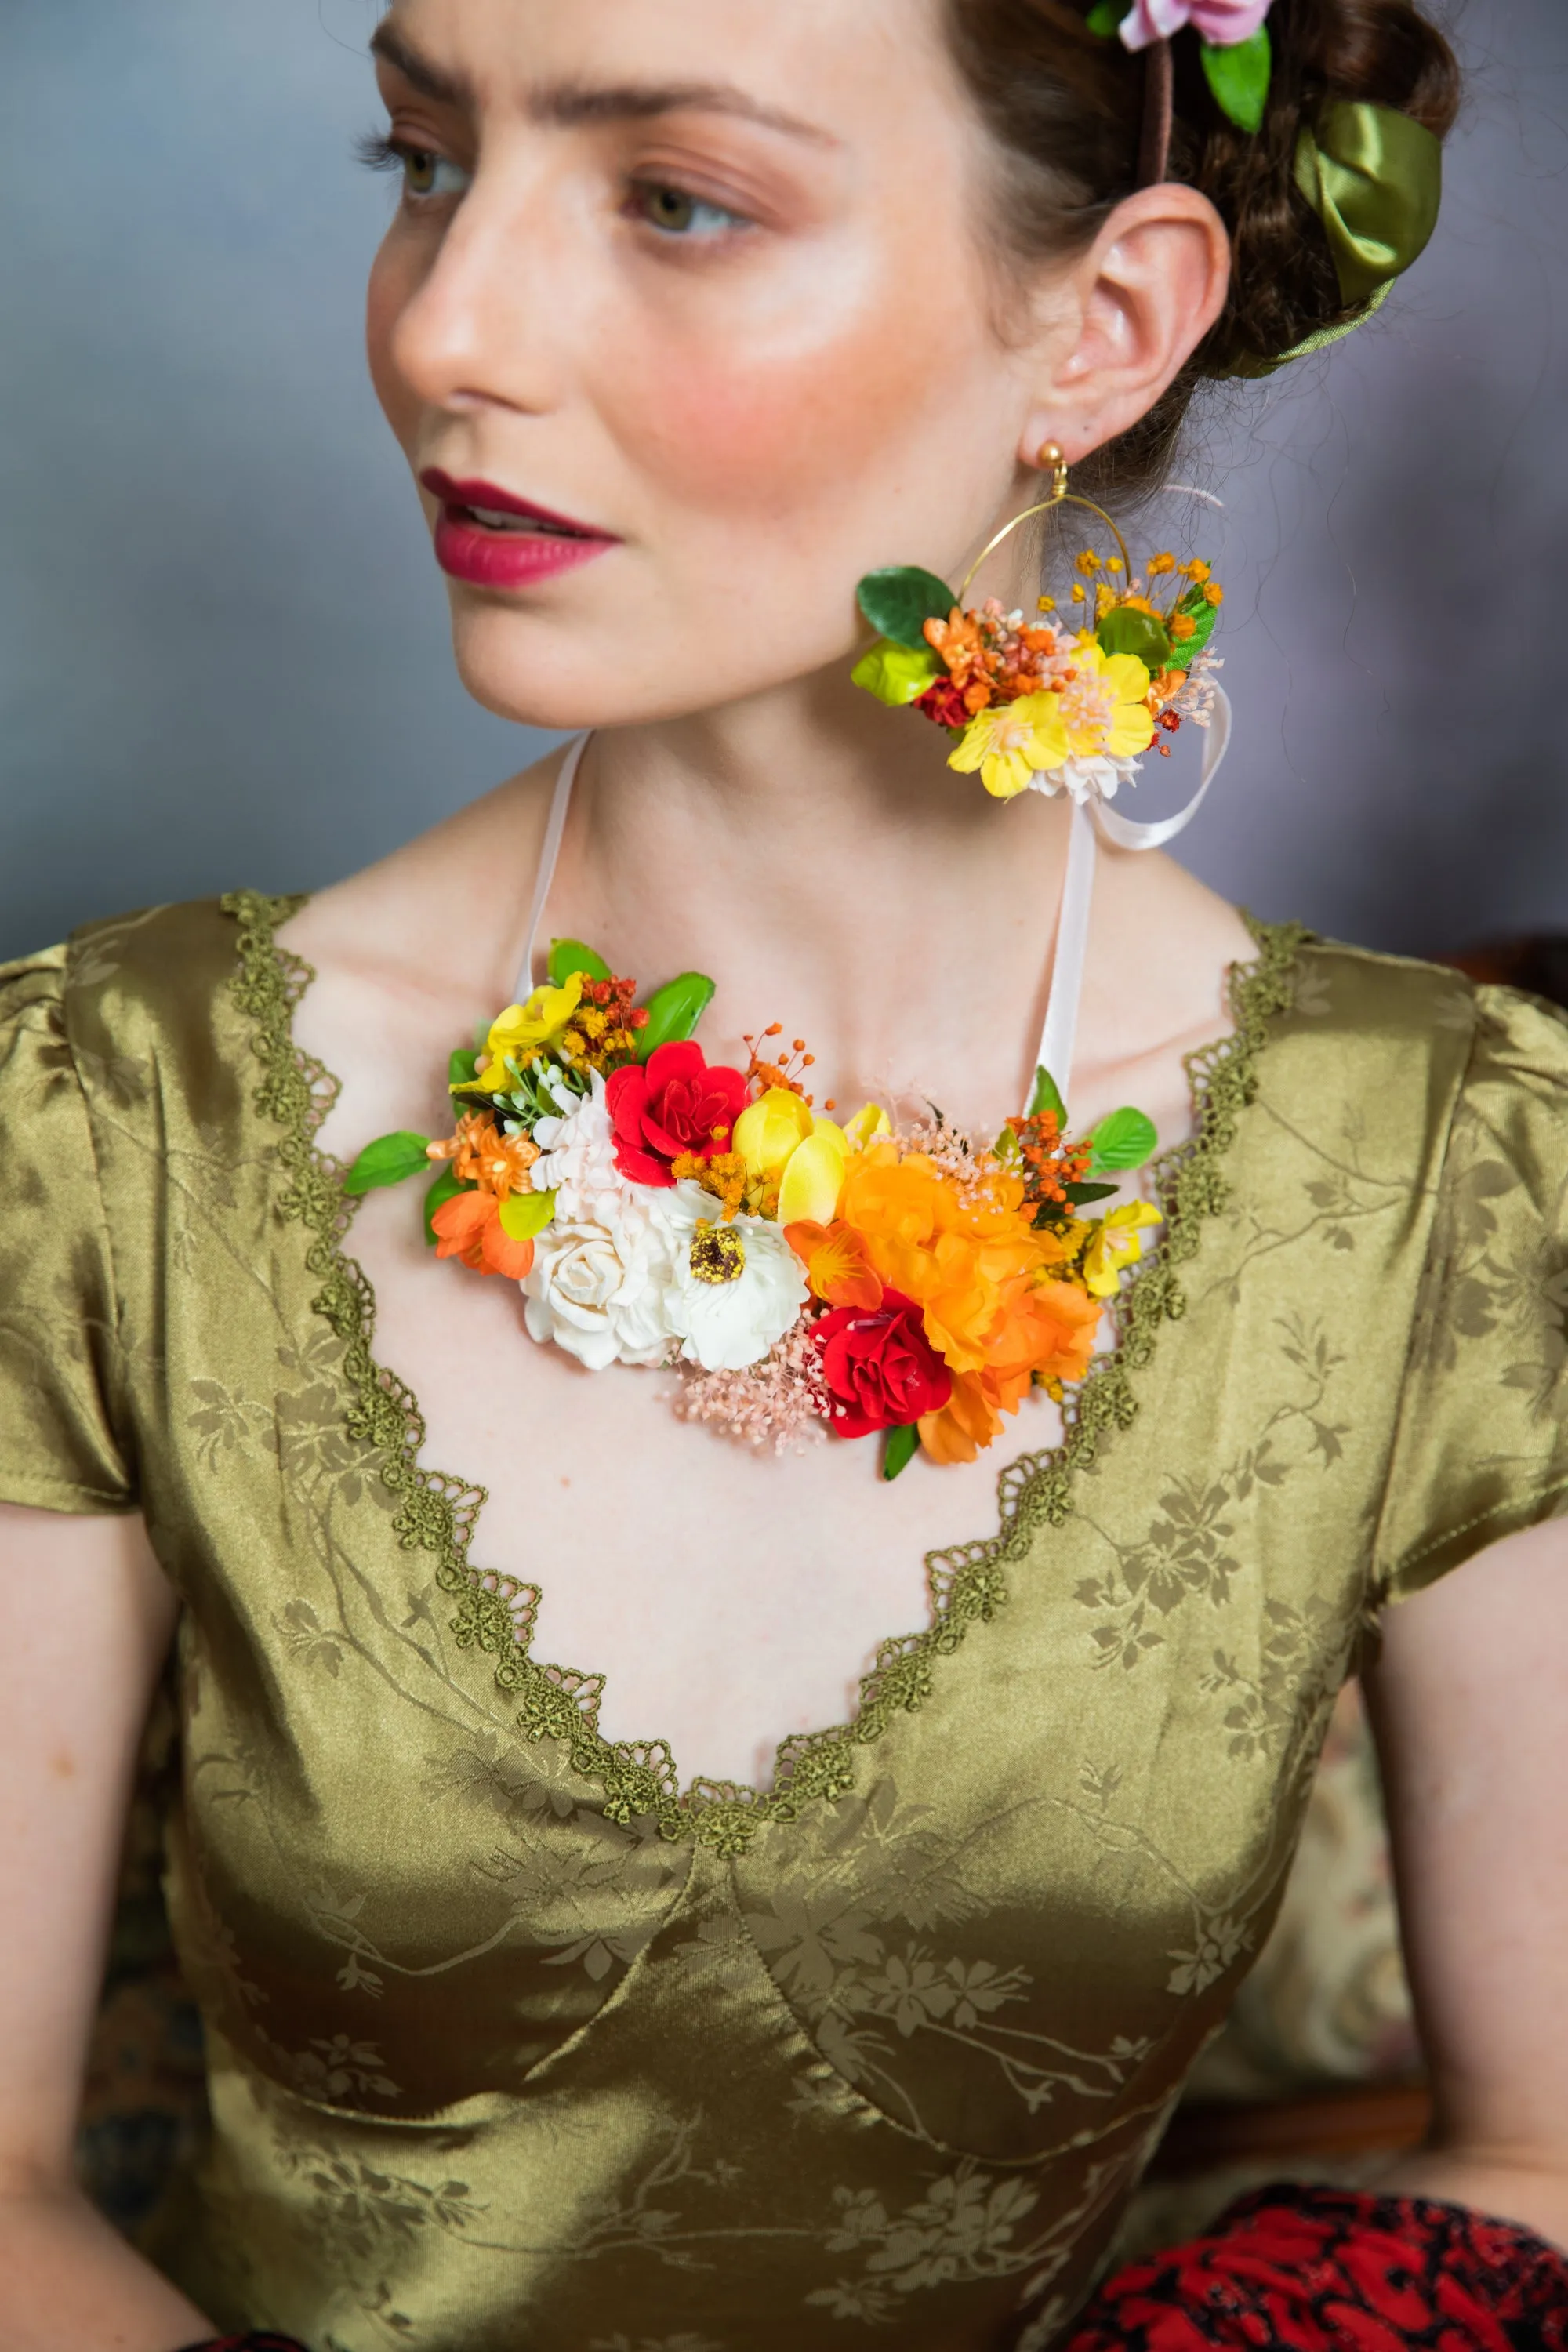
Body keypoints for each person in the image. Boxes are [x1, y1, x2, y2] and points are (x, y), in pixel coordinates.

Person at [2, 1, 1566, 2347]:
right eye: (422, 155)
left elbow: (1538, 2157)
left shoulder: (1440, 1172)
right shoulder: (117, 1113)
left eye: (674, 199)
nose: (448, 325)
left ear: (1107, 319)